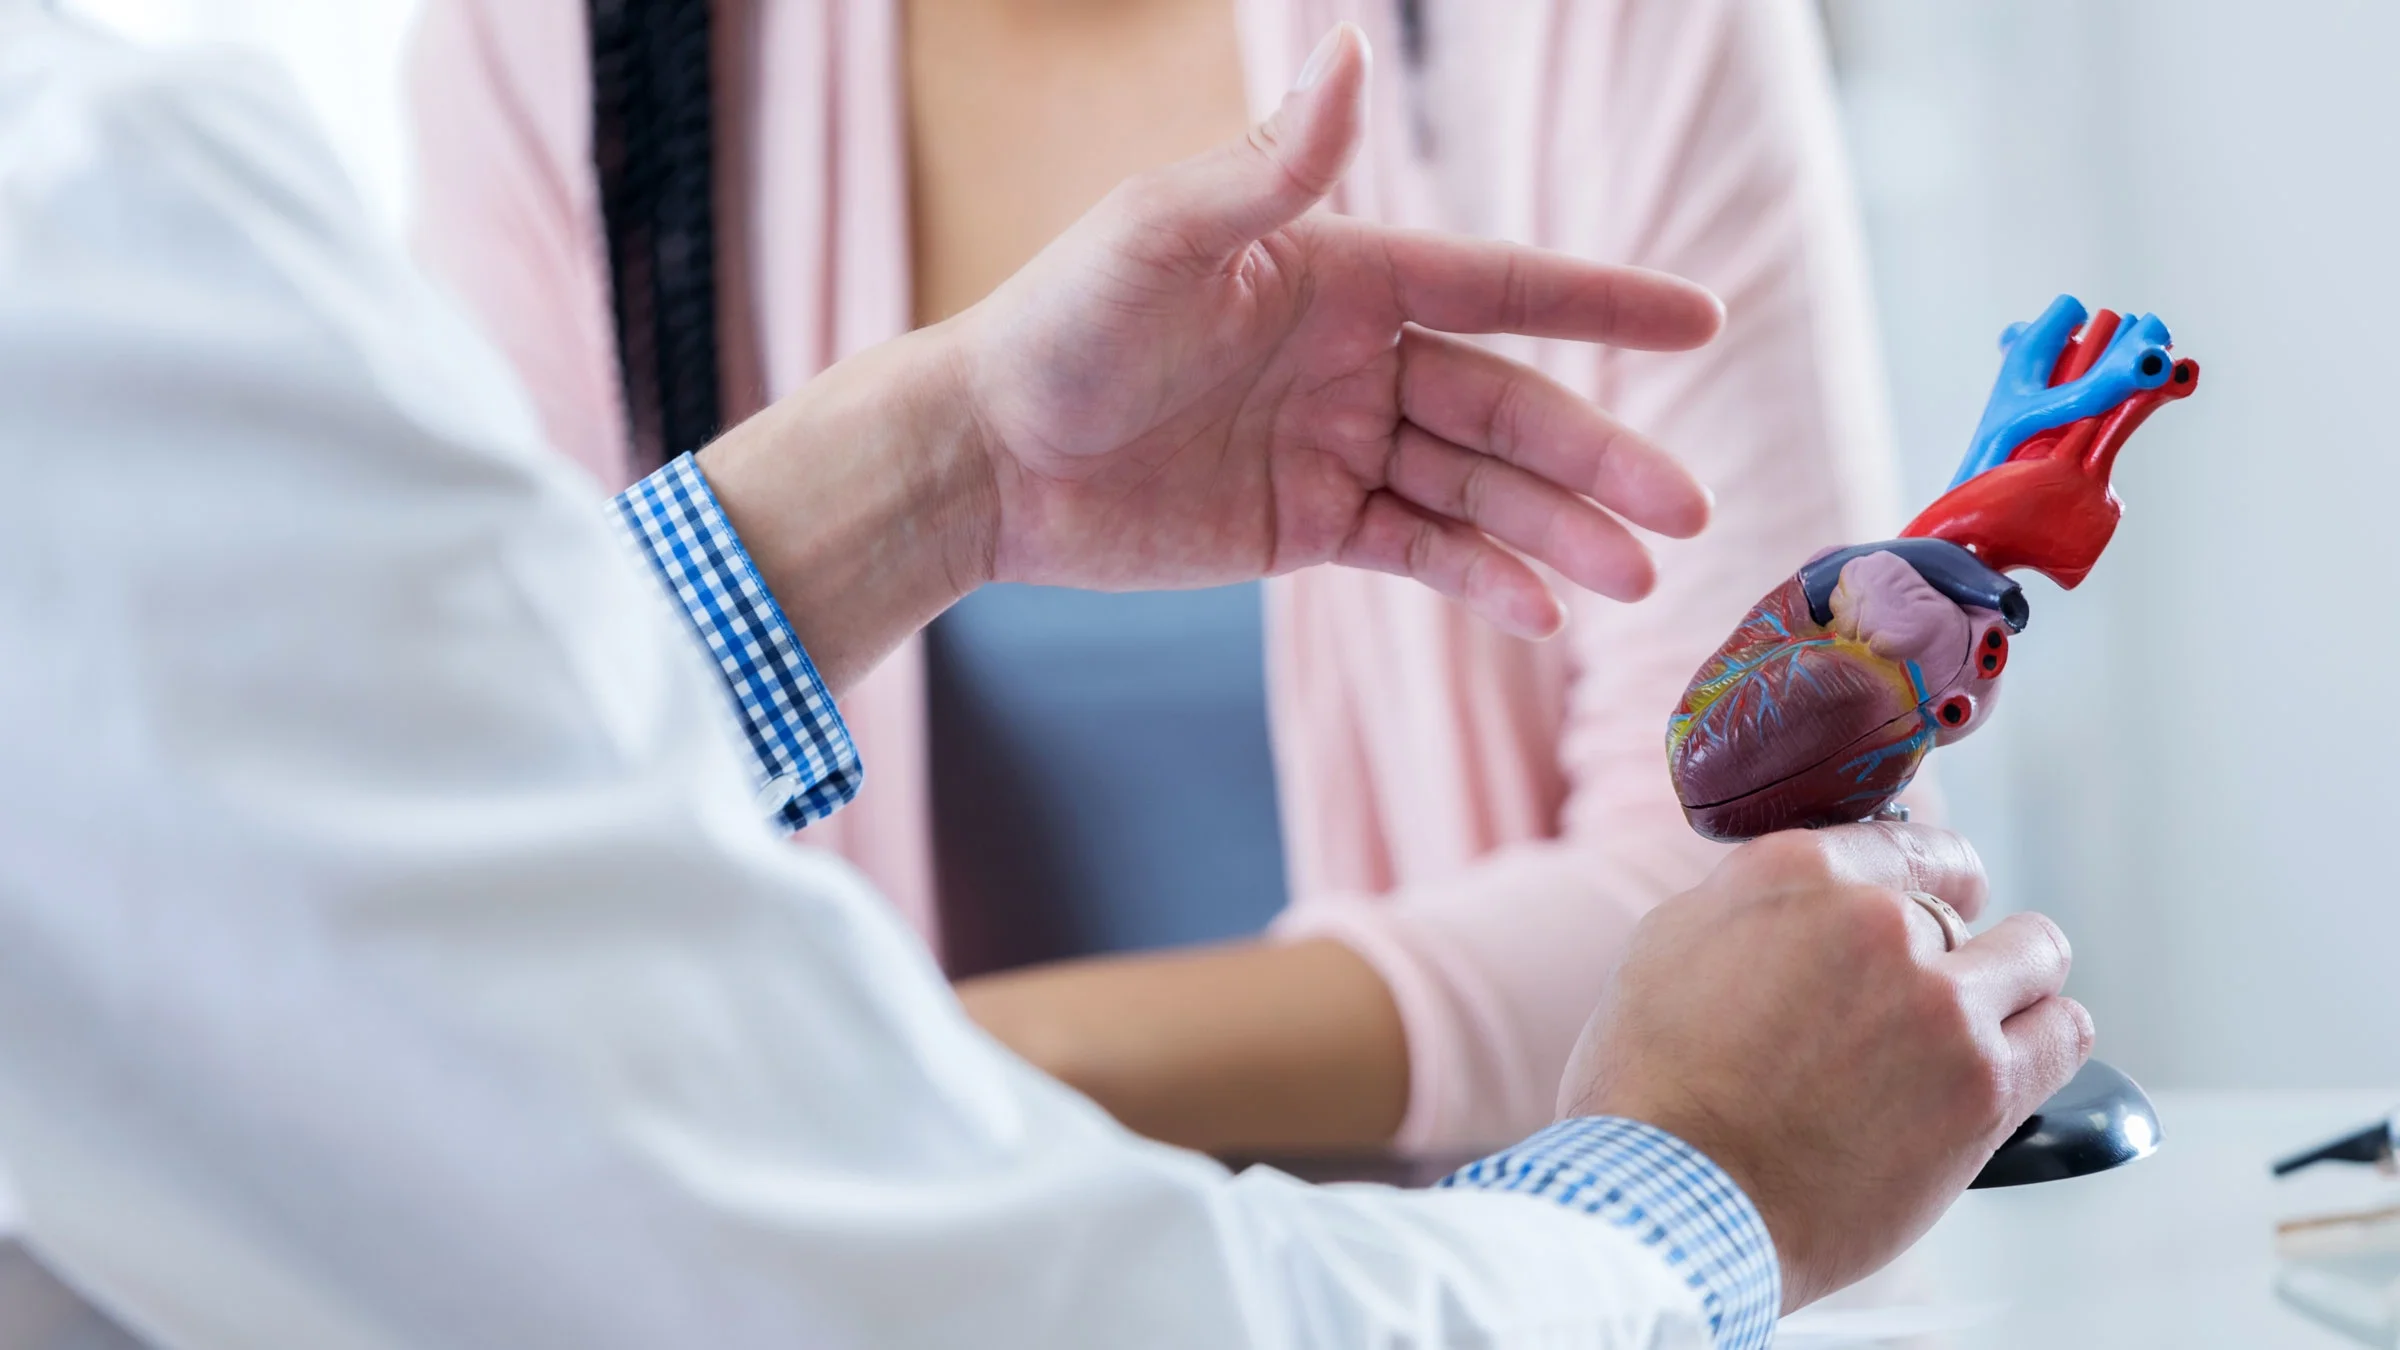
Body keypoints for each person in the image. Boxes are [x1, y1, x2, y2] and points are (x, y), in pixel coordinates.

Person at [0, 10, 2093, 1347]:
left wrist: (932, 478)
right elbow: (852, 1255)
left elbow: (388, 801)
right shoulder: (158, 203)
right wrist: (1696, 1180)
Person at [408, 0, 1904, 1156]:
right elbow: (502, 879)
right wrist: (935, 483)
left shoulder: (1591, 30)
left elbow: (1772, 883)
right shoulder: (570, 54)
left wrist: (953, 1082)